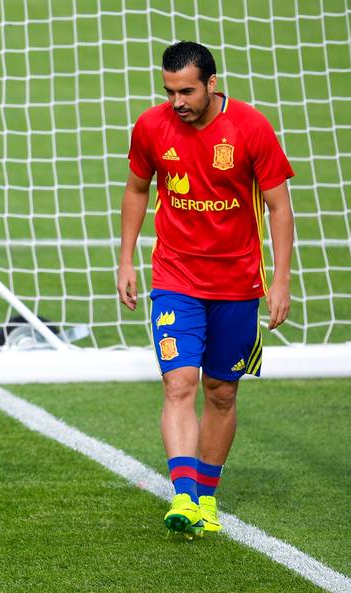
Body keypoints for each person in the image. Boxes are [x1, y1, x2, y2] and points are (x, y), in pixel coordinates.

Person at [117, 41, 294, 537]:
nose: (177, 102)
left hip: (238, 284)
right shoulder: (151, 127)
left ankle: (207, 498)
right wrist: (126, 259)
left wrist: (280, 279)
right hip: (175, 279)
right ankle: (183, 495)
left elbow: (279, 207)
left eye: (187, 91)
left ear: (212, 84)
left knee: (221, 391)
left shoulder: (251, 128)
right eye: (169, 91)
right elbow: (136, 188)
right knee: (179, 384)